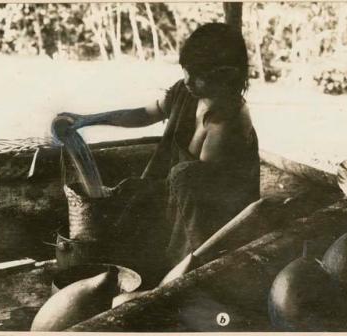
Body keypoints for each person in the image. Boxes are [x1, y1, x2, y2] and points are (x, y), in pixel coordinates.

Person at [58, 23, 260, 276]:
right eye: (185, 70)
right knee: (129, 199)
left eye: (197, 74)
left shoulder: (229, 123)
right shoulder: (186, 92)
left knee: (183, 177)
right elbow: (142, 114)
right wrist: (86, 119)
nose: (187, 80)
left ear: (224, 75)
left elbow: (200, 205)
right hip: (174, 200)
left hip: (205, 223)